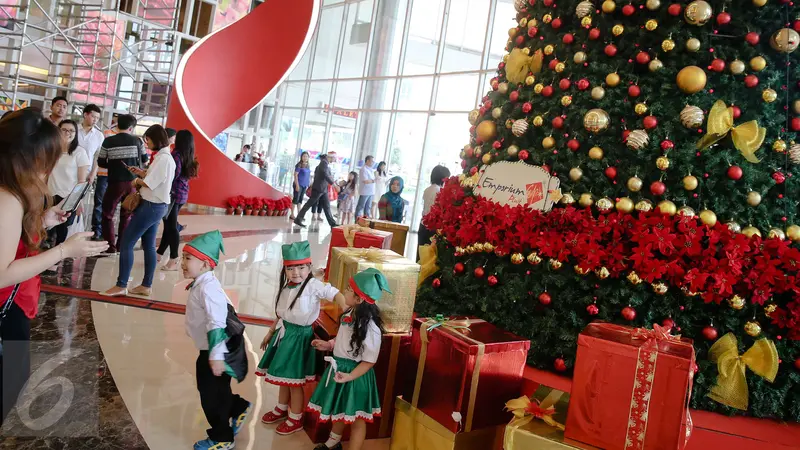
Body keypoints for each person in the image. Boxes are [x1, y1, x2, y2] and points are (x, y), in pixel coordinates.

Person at [0, 108, 108, 424]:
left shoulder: (9, 190)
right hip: (7, 305)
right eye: (46, 159)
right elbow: (2, 273)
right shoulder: (8, 198)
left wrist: (44, 219)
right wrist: (63, 250)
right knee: (11, 380)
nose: (47, 169)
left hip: (13, 303)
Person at [256, 241, 345, 436]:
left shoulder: (313, 286)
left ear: (309, 267)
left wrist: (347, 310)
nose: (296, 272)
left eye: (301, 267)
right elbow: (282, 315)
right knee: (284, 379)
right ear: (285, 269)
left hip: (299, 339)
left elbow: (334, 293)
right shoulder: (287, 287)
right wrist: (270, 333)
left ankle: (295, 417)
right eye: (291, 268)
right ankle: (281, 408)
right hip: (285, 335)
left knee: (294, 381)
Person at [182, 230, 252, 450]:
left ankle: (222, 437)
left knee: (210, 396)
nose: (182, 263)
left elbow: (216, 323)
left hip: (216, 349)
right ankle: (237, 407)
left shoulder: (208, 288)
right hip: (213, 349)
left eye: (188, 258)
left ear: (205, 264)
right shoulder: (202, 283)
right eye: (183, 257)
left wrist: (215, 356)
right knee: (217, 390)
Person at [307, 268, 389, 450]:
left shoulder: (371, 328)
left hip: (356, 376)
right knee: (340, 410)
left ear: (359, 299)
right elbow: (344, 339)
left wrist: (351, 376)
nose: (344, 291)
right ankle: (333, 442)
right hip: (341, 370)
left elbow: (369, 360)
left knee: (357, 420)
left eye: (348, 290)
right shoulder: (349, 314)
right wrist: (329, 345)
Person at [100, 125, 174, 298]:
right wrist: (142, 172)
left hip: (151, 206)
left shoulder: (164, 158)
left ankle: (121, 285)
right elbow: (156, 177)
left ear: (157, 139)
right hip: (157, 206)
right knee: (148, 245)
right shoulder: (164, 157)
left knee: (126, 242)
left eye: (148, 139)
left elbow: (150, 183)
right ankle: (146, 285)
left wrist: (136, 181)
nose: (147, 143)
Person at [97, 114, 147, 253]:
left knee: (107, 214)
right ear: (131, 127)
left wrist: (114, 166)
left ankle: (110, 247)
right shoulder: (138, 141)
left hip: (115, 183)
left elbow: (101, 162)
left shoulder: (108, 141)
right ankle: (121, 246)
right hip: (132, 183)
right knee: (127, 215)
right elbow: (144, 159)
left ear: (117, 124)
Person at [156, 130, 198, 271]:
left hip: (173, 195)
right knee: (169, 225)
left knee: (171, 227)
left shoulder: (176, 155)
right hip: (181, 194)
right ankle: (159, 254)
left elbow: (173, 175)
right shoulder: (189, 155)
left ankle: (174, 258)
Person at [47, 119, 91, 245]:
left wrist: (79, 201)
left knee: (62, 230)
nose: (68, 133)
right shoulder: (51, 150)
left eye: (72, 131)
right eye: (64, 130)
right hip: (49, 194)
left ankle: (57, 261)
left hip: (68, 197)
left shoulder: (79, 152)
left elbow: (82, 181)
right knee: (45, 229)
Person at [294, 153, 337, 228]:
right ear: (330, 157)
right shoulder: (324, 163)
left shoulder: (325, 163)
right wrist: (333, 184)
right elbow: (325, 174)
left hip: (323, 189)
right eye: (334, 158)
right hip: (319, 189)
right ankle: (298, 219)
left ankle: (332, 224)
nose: (335, 160)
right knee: (309, 204)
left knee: (327, 206)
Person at [417, 165, 451, 248]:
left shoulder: (427, 189)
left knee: (421, 253)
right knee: (429, 255)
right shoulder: (439, 191)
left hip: (423, 225)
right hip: (432, 227)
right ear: (442, 178)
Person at [291, 151, 311, 220]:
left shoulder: (308, 165)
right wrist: (297, 185)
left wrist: (309, 184)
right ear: (301, 157)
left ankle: (299, 214)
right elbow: (295, 175)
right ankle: (292, 214)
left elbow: (308, 176)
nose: (305, 158)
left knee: (300, 200)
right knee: (295, 199)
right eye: (304, 156)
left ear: (308, 158)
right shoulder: (299, 165)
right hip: (298, 184)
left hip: (304, 185)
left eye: (306, 156)